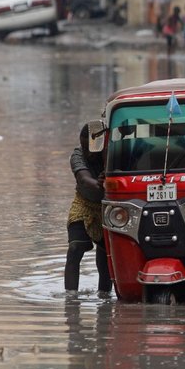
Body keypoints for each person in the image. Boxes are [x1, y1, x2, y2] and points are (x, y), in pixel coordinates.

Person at [65, 124, 113, 295]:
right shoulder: (77, 155)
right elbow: (84, 179)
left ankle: (104, 297)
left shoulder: (112, 153)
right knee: (75, 249)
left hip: (108, 206)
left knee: (105, 256)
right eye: (84, 147)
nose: (87, 153)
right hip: (84, 202)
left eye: (90, 149)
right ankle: (71, 299)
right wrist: (99, 184)